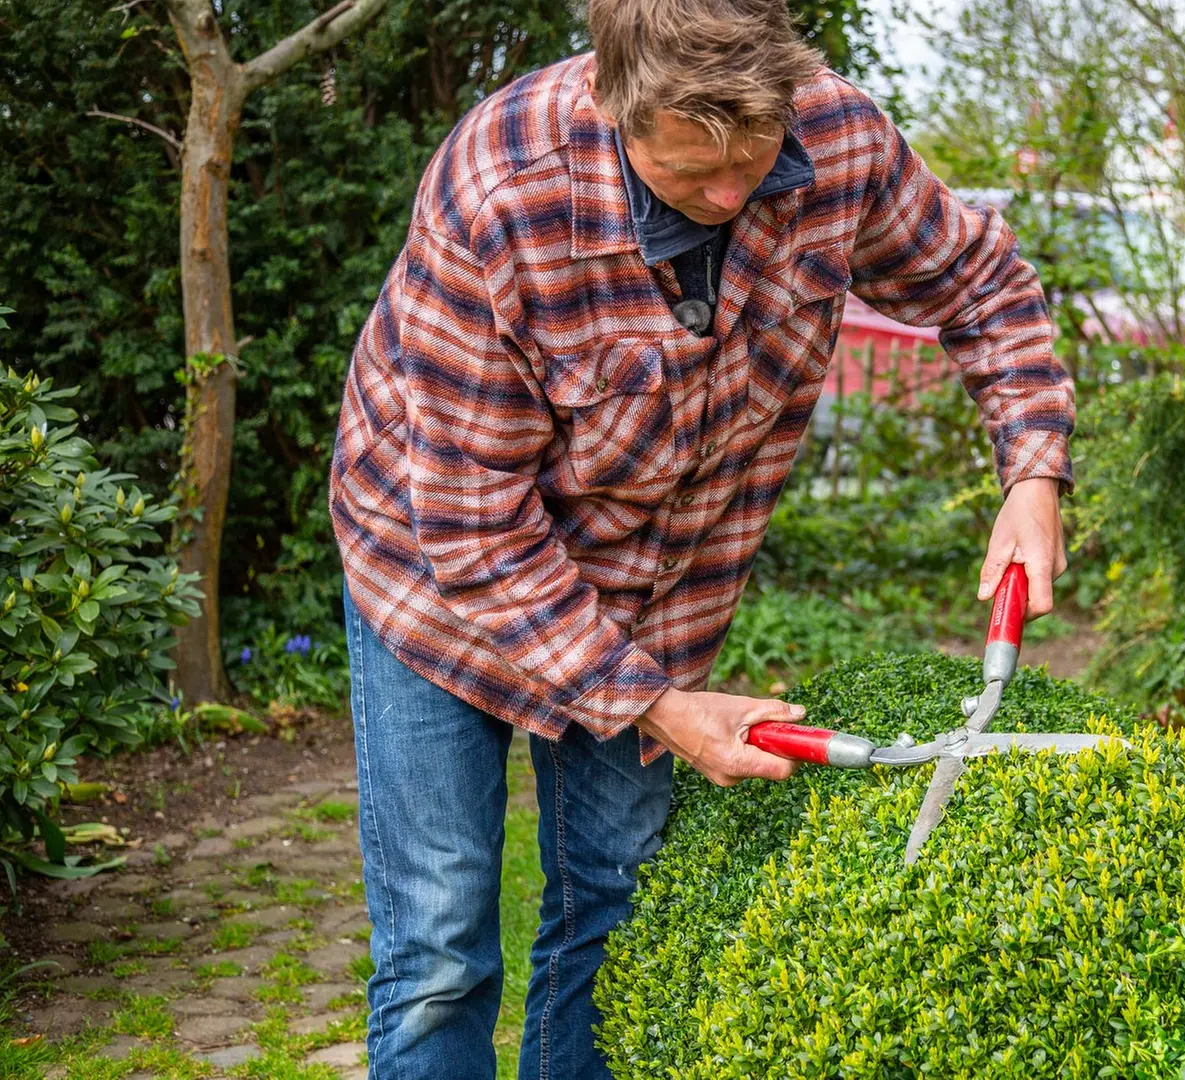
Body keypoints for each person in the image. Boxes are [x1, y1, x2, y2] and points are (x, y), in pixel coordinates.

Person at [326, 0, 1073, 1076]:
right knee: (442, 944)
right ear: (617, 105)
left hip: (653, 592)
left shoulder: (839, 141)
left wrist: (1033, 474)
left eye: (755, 157)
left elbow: (984, 287)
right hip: (437, 579)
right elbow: (474, 530)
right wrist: (661, 711)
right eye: (693, 173)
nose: (733, 197)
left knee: (617, 902)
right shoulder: (503, 194)